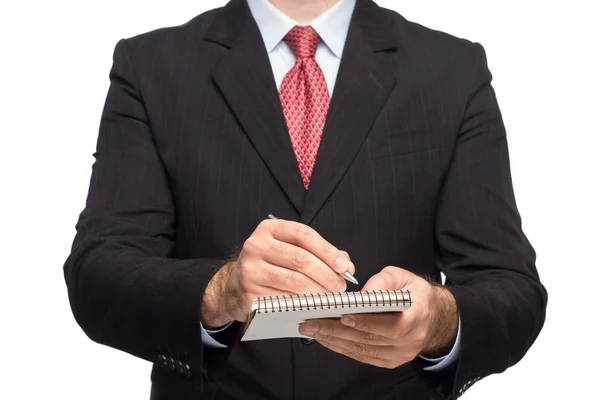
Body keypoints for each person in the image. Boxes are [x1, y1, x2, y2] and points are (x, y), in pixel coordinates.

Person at [63, 0, 547, 398]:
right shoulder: (151, 66)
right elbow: (98, 271)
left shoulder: (451, 71)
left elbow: (511, 287)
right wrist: (220, 291)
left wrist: (439, 321)